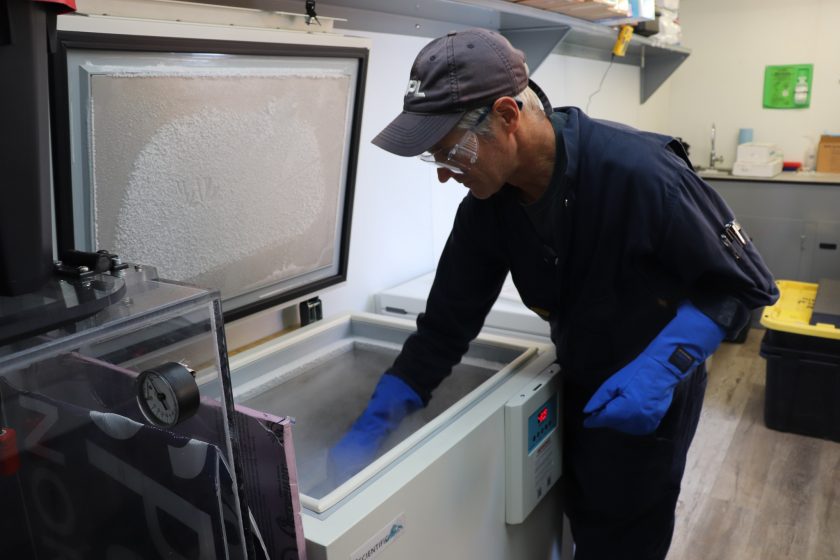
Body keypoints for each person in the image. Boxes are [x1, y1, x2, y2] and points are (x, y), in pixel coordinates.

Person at [330, 28, 778, 559]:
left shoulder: (640, 172)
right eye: (435, 159)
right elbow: (447, 326)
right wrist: (378, 416)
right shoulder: (488, 209)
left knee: (629, 531)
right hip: (580, 373)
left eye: (451, 151)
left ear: (506, 115)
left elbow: (743, 283)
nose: (446, 175)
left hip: (650, 394)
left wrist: (661, 369)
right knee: (584, 515)